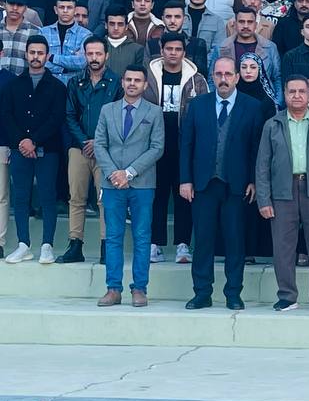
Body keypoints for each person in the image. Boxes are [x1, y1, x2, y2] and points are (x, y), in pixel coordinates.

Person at [179, 56, 272, 310]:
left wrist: (254, 180)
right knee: (204, 242)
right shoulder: (198, 105)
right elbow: (186, 144)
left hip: (237, 185)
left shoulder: (252, 106)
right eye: (219, 74)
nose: (223, 79)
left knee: (235, 242)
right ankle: (202, 293)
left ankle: (233, 293)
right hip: (203, 185)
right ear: (213, 76)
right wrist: (185, 179)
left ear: (237, 77)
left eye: (228, 74)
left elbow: (257, 148)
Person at [255, 76, 309, 312]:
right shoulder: (273, 124)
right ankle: (287, 295)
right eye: (292, 91)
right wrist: (264, 199)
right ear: (285, 94)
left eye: (302, 91)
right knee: (283, 246)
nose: (297, 96)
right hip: (283, 190)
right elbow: (262, 165)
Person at [93, 65, 165, 306]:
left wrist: (129, 173)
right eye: (128, 79)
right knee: (113, 237)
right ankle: (113, 289)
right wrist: (114, 172)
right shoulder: (107, 110)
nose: (132, 83)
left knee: (142, 236)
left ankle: (139, 288)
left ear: (145, 85)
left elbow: (157, 148)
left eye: (138, 80)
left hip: (142, 183)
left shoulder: (154, 112)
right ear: (122, 82)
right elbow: (100, 144)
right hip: (112, 182)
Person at [1, 37, 67, 263]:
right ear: (26, 55)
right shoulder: (13, 85)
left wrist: (34, 141)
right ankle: (23, 244)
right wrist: (22, 141)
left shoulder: (58, 86)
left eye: (40, 52)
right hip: (19, 149)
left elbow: (56, 118)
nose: (36, 56)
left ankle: (47, 245)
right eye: (32, 52)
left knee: (48, 196)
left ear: (47, 56)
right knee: (21, 197)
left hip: (48, 149)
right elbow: (6, 115)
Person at [144, 32, 209, 263]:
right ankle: (155, 243)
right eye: (169, 49)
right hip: (154, 146)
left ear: (184, 52)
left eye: (177, 49)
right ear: (162, 50)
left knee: (184, 197)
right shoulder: (149, 76)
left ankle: (183, 245)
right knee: (157, 196)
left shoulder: (196, 79)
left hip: (184, 147)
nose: (173, 53)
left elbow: (204, 114)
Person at [59, 36, 120, 264]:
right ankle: (76, 244)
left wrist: (99, 142)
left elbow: (118, 116)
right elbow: (70, 115)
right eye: (90, 54)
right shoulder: (75, 82)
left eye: (98, 54)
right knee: (76, 198)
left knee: (106, 199)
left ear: (106, 55)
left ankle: (107, 246)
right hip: (79, 148)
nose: (94, 58)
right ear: (84, 55)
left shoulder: (116, 82)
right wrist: (85, 141)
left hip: (107, 150)